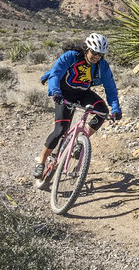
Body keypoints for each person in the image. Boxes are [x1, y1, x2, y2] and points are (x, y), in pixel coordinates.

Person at [33, 32, 122, 179]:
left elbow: (111, 88)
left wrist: (116, 108)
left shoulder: (102, 66)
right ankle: (41, 163)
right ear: (87, 48)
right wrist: (56, 92)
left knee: (102, 112)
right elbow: (55, 73)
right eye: (94, 52)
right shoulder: (71, 56)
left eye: (100, 54)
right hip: (64, 93)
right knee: (60, 129)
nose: (96, 56)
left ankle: (81, 141)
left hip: (82, 93)